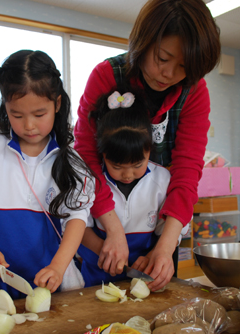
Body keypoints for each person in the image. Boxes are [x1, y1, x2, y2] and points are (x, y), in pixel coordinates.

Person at [73, 0, 220, 291]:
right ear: (144, 40)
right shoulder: (107, 76)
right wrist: (112, 228)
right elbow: (86, 156)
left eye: (183, 67)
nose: (169, 74)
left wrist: (166, 246)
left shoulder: (194, 91)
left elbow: (188, 168)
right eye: (162, 58)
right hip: (105, 214)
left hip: (158, 221)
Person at [0, 50, 95, 304]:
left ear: (57, 105)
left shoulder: (71, 162)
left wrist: (59, 266)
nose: (29, 125)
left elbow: (78, 216)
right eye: (17, 115)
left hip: (48, 284)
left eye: (39, 115)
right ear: (5, 107)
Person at [77, 90, 190, 287]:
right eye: (117, 167)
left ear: (149, 151)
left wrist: (153, 256)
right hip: (94, 280)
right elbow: (78, 226)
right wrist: (105, 251)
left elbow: (172, 228)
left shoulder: (162, 180)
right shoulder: (91, 181)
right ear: (102, 155)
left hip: (143, 279)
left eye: (138, 165)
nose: (128, 175)